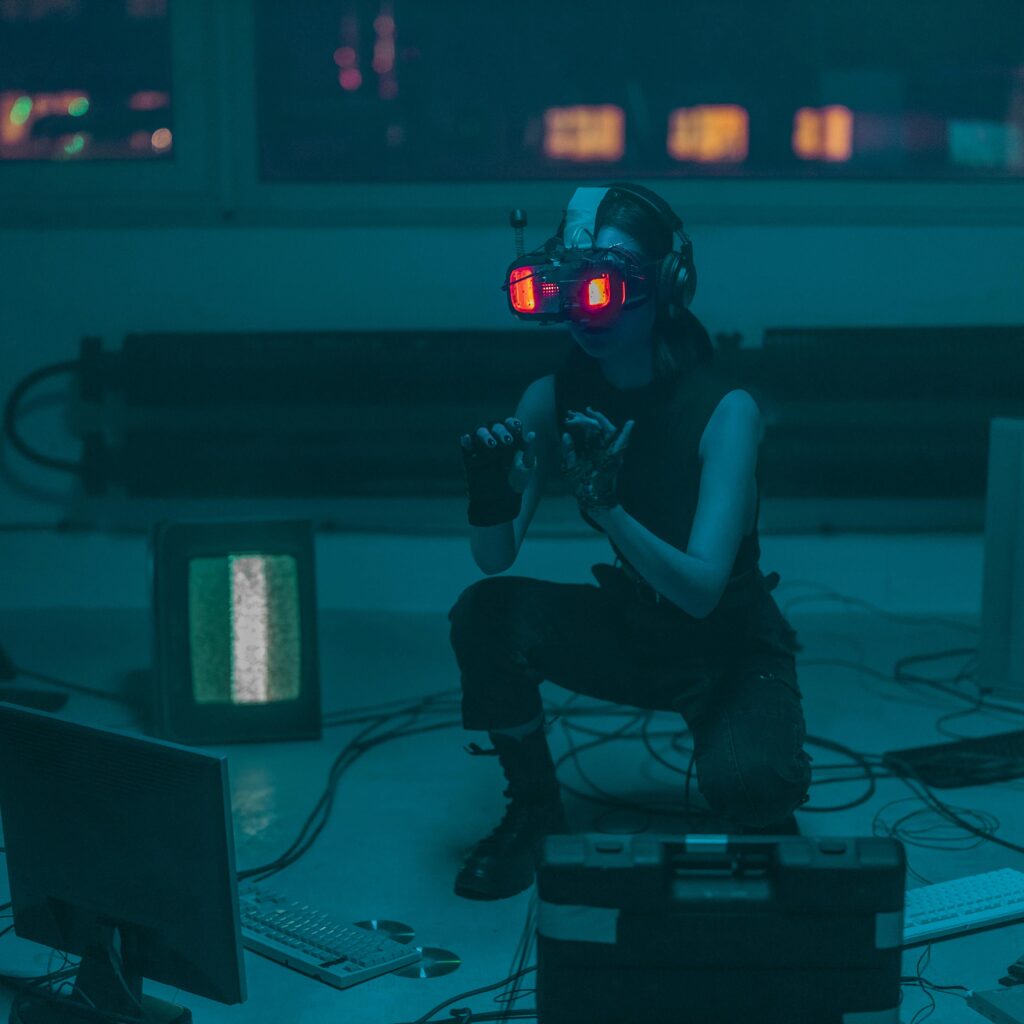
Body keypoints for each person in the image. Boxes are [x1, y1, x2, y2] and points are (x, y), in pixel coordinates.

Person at [449, 182, 813, 901]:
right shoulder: (550, 398)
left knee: (751, 786)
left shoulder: (725, 411)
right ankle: (535, 809)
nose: (587, 309)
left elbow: (704, 591)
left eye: (609, 284)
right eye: (573, 282)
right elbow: (495, 559)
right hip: (636, 630)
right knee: (485, 614)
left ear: (668, 286)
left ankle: (757, 804)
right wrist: (489, 494)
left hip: (727, 647)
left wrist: (606, 508)